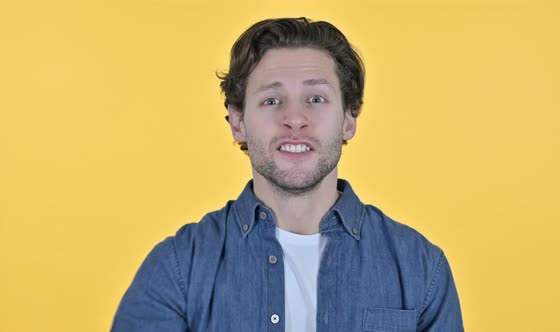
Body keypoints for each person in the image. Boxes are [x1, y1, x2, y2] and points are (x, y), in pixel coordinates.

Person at [112, 17, 464, 332]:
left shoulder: (421, 267)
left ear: (348, 119)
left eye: (315, 99)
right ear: (238, 122)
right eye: (271, 100)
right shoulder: (177, 268)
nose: (295, 119)